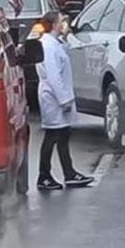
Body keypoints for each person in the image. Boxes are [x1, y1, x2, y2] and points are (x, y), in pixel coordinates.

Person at [36, 11, 94, 190]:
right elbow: (54, 76)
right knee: (52, 136)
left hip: (57, 95)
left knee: (63, 135)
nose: (65, 24)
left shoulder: (55, 43)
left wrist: (67, 36)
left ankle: (69, 173)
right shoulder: (48, 46)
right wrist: (64, 100)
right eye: (62, 21)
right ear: (54, 25)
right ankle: (44, 176)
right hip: (53, 97)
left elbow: (65, 53)